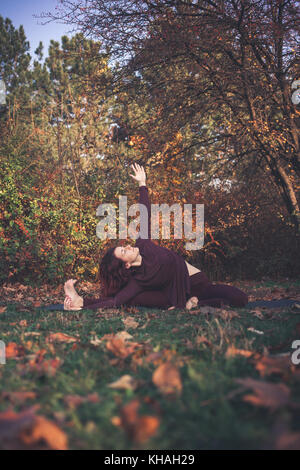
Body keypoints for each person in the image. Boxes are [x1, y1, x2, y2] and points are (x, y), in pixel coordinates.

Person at [64, 163, 248, 311]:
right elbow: (115, 301)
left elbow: (144, 214)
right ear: (126, 265)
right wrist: (83, 305)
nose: (128, 246)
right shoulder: (138, 281)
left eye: (124, 246)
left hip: (197, 283)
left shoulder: (143, 244)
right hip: (176, 295)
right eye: (123, 251)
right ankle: (79, 302)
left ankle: (194, 302)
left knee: (241, 298)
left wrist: (142, 184)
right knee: (130, 299)